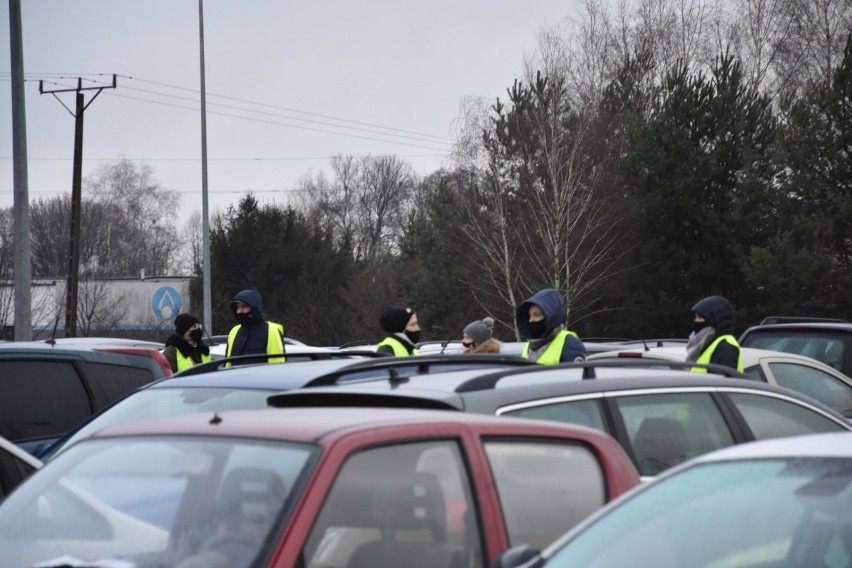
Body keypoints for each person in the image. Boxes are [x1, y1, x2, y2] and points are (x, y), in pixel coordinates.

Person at [516, 288, 585, 364]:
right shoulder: (529, 345)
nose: (531, 320)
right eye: (530, 316)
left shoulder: (569, 343)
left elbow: (576, 374)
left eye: (536, 315)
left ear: (550, 316)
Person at [225, 289, 285, 365]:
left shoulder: (271, 330)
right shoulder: (234, 331)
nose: (240, 311)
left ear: (254, 308)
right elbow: (227, 365)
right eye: (237, 307)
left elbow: (278, 365)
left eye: (244, 306)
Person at [688, 295, 743, 372]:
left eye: (699, 317)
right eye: (695, 317)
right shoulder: (708, 343)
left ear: (714, 320)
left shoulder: (724, 348)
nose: (695, 321)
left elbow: (722, 382)